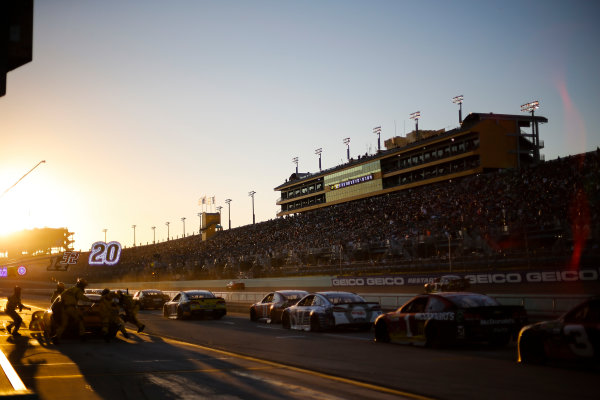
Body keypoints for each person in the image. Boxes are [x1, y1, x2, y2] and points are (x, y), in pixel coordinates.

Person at [52, 278, 91, 344]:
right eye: (84, 286)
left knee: (63, 324)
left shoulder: (70, 289)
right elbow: (82, 297)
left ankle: (56, 337)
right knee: (80, 319)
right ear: (82, 285)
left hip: (64, 308)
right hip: (71, 308)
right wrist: (90, 300)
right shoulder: (78, 290)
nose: (84, 287)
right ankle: (82, 336)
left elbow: (62, 296)